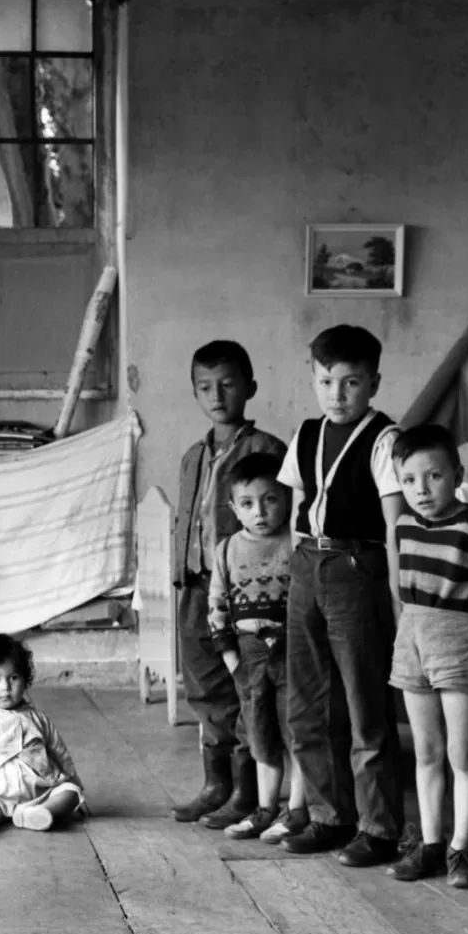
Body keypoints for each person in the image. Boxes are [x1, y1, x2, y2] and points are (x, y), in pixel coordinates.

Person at [278, 324, 404, 864]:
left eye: (351, 382)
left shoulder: (384, 439)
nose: (337, 393)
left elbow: (396, 526)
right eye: (327, 381)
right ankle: (331, 817)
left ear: (373, 382)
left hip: (359, 567)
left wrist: (396, 595)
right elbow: (297, 508)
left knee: (363, 706)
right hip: (309, 563)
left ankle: (379, 829)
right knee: (308, 703)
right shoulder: (305, 433)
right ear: (313, 378)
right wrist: (296, 568)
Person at [385, 425, 468, 888]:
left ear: (456, 474)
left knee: (461, 752)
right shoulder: (403, 525)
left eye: (434, 476)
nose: (421, 489)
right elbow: (402, 594)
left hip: (457, 642)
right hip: (412, 639)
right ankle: (432, 844)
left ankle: (462, 847)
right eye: (410, 479)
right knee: (426, 751)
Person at [170, 340, 288, 828]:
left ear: (250, 387)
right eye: (204, 386)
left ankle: (247, 790)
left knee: (249, 689)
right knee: (204, 686)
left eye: (228, 383)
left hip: (248, 597)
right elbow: (186, 521)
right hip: (197, 587)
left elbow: (281, 524)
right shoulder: (193, 455)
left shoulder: (268, 450)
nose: (216, 395)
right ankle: (215, 784)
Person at [208, 454, 308, 841]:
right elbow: (216, 604)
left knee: (295, 730)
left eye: (270, 500)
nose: (260, 512)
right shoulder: (227, 549)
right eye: (248, 504)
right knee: (260, 731)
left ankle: (296, 810)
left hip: (291, 650)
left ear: (286, 500)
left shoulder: (296, 542)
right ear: (234, 508)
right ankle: (266, 807)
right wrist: (231, 657)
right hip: (248, 655)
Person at [0, 632, 84, 839]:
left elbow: (58, 750)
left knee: (71, 793)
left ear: (25, 680)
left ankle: (40, 813)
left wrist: (72, 778)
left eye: (13, 678)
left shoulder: (38, 719)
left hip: (41, 792)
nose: (5, 687)